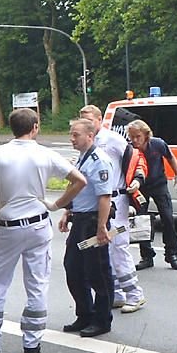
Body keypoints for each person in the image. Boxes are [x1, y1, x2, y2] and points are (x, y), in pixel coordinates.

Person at [0, 108, 85, 353]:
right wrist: (57, 204)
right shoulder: (45, 154)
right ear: (35, 127)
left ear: (12, 128)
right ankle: (32, 343)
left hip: (9, 227)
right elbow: (80, 180)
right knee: (37, 283)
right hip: (39, 226)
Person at [77, 104, 145, 313]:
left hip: (116, 201)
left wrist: (135, 183)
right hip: (98, 203)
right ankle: (116, 292)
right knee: (102, 247)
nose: (87, 124)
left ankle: (135, 294)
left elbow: (135, 159)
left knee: (118, 245)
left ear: (99, 120)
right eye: (83, 120)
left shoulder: (112, 139)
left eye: (90, 120)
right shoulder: (87, 142)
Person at [60, 117, 116, 338]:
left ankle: (102, 320)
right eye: (71, 134)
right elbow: (77, 189)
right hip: (80, 219)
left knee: (98, 272)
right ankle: (85, 314)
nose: (72, 139)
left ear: (90, 136)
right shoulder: (82, 158)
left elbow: (105, 198)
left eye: (76, 135)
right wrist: (68, 211)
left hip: (93, 222)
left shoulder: (99, 160)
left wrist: (102, 227)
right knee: (73, 268)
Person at [124, 119, 177, 270]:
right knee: (141, 220)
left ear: (146, 135)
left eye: (138, 136)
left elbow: (170, 157)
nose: (135, 140)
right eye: (132, 137)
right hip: (140, 187)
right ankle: (147, 256)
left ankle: (172, 254)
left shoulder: (157, 144)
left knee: (168, 217)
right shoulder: (130, 149)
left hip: (159, 184)